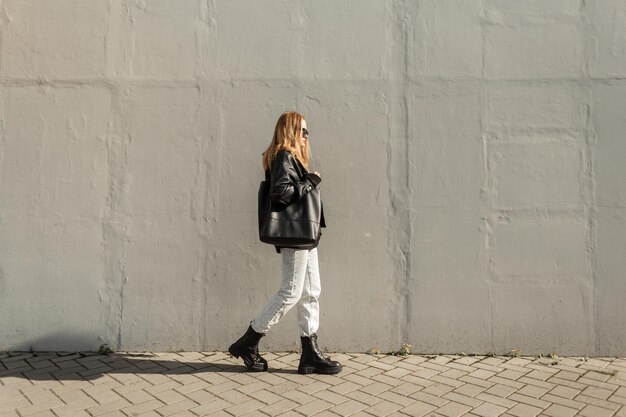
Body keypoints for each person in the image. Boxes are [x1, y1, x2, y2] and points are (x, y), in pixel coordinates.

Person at [228, 111, 342, 375]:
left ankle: (310, 355)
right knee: (290, 292)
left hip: (306, 237)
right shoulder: (283, 156)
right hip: (296, 236)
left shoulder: (290, 157)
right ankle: (248, 342)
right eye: (302, 130)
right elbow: (282, 194)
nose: (306, 135)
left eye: (307, 131)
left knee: (311, 291)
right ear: (290, 131)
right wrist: (311, 181)